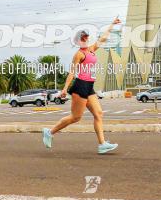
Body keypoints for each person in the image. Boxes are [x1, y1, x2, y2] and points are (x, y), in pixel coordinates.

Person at [43, 18, 121, 154]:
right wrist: (65, 88)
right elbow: (72, 72)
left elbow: (102, 39)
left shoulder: (91, 50)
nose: (86, 39)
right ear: (78, 41)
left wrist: (112, 25)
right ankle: (50, 132)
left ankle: (102, 144)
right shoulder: (78, 54)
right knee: (76, 117)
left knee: (99, 113)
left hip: (89, 86)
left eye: (86, 37)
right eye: (83, 38)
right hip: (80, 86)